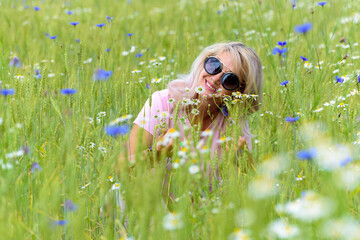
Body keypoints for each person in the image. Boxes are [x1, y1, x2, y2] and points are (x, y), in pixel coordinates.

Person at [118, 42, 263, 209]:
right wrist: (154, 154)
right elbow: (120, 168)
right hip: (149, 207)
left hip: (199, 217)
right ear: (203, 62)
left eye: (229, 79)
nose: (215, 79)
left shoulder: (234, 124)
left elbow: (258, 189)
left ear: (240, 91)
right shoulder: (162, 103)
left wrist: (245, 162)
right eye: (214, 65)